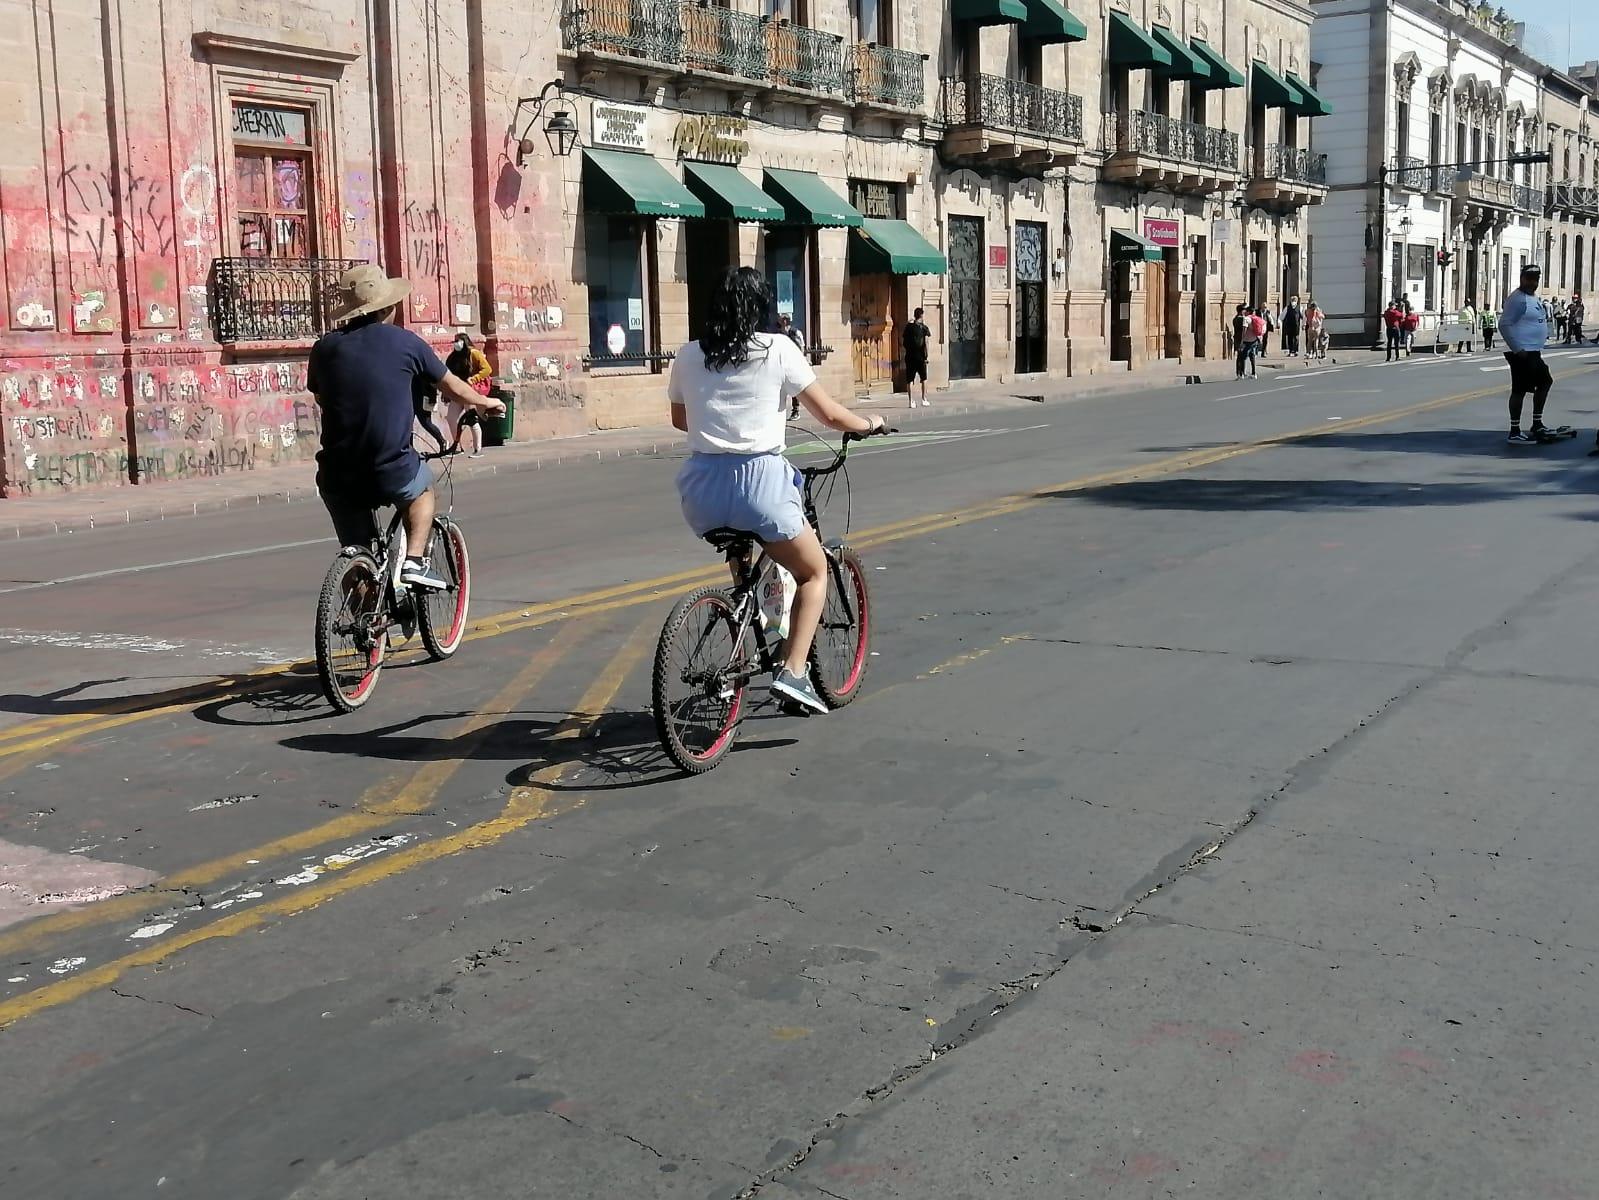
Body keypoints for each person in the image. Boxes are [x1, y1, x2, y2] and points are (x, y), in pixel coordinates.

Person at [669, 267, 887, 714]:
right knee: (813, 572)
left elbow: (680, 420)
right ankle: (793, 672)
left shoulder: (688, 354)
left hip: (701, 489)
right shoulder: (779, 349)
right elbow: (828, 414)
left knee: (744, 558)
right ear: (761, 309)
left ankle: (744, 625)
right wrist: (870, 424)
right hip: (760, 485)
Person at [309, 265, 505, 585]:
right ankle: (414, 562)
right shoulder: (406, 343)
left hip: (335, 473)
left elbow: (320, 397)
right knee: (423, 489)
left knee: (359, 553)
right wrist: (485, 403)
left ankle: (362, 623)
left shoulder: (324, 348)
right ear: (387, 306)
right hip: (389, 466)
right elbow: (451, 385)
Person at [1500, 263, 1554, 444]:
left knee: (1545, 381)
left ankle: (1536, 423)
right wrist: (1517, 349)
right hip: (1522, 352)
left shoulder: (1532, 298)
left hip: (1533, 351)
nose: (1532, 283)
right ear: (1522, 279)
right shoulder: (1518, 299)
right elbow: (1504, 324)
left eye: (1535, 280)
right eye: (1529, 279)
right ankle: (1514, 431)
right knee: (1520, 390)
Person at [444, 333, 494, 457]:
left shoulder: (474, 353)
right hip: (457, 392)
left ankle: (478, 449)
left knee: (471, 419)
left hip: (469, 391)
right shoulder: (453, 357)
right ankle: (457, 447)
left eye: (458, 341)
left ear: (465, 341)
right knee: (451, 418)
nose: (456, 343)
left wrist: (474, 378)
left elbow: (487, 369)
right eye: (454, 341)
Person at [902, 307, 932, 408]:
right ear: (922, 315)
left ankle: (911, 401)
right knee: (924, 378)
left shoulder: (908, 327)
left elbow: (904, 341)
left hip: (910, 356)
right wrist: (926, 356)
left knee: (910, 379)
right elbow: (926, 343)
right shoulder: (924, 328)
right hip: (920, 357)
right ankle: (924, 399)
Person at [1232, 304, 1258, 379]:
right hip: (1243, 340)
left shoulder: (1235, 318)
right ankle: (1242, 373)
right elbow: (1245, 329)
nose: (1245, 311)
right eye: (1244, 310)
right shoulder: (1242, 319)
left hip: (1238, 339)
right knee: (1243, 356)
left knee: (1240, 357)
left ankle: (1239, 373)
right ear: (1241, 311)